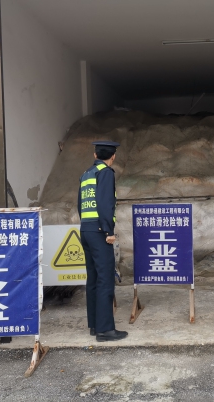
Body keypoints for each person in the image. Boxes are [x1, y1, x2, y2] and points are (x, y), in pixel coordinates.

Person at [78, 140, 128, 342]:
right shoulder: (105, 173)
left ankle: (94, 325)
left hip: (86, 230)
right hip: (100, 232)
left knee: (92, 279)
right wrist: (109, 231)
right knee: (105, 279)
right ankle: (105, 330)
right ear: (113, 157)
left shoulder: (86, 174)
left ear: (95, 155)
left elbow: (80, 205)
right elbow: (105, 203)